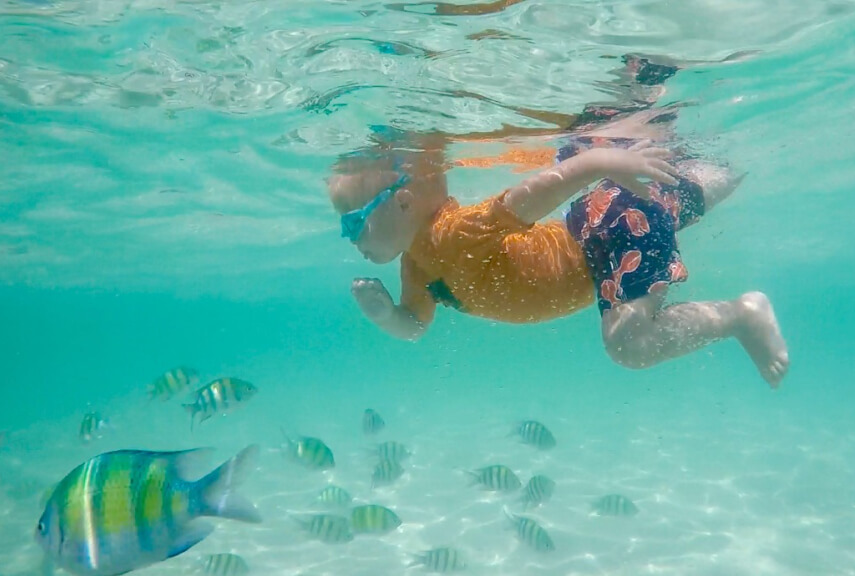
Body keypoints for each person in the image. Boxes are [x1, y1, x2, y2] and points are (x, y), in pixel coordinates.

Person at [326, 57, 789, 387]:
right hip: (598, 227)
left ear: (404, 203)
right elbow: (415, 324)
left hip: (604, 231)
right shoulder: (416, 264)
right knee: (695, 186)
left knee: (629, 345)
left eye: (352, 223)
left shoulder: (452, 234)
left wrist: (598, 160)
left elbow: (527, 199)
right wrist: (386, 315)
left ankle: (740, 316)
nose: (348, 238)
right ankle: (743, 156)